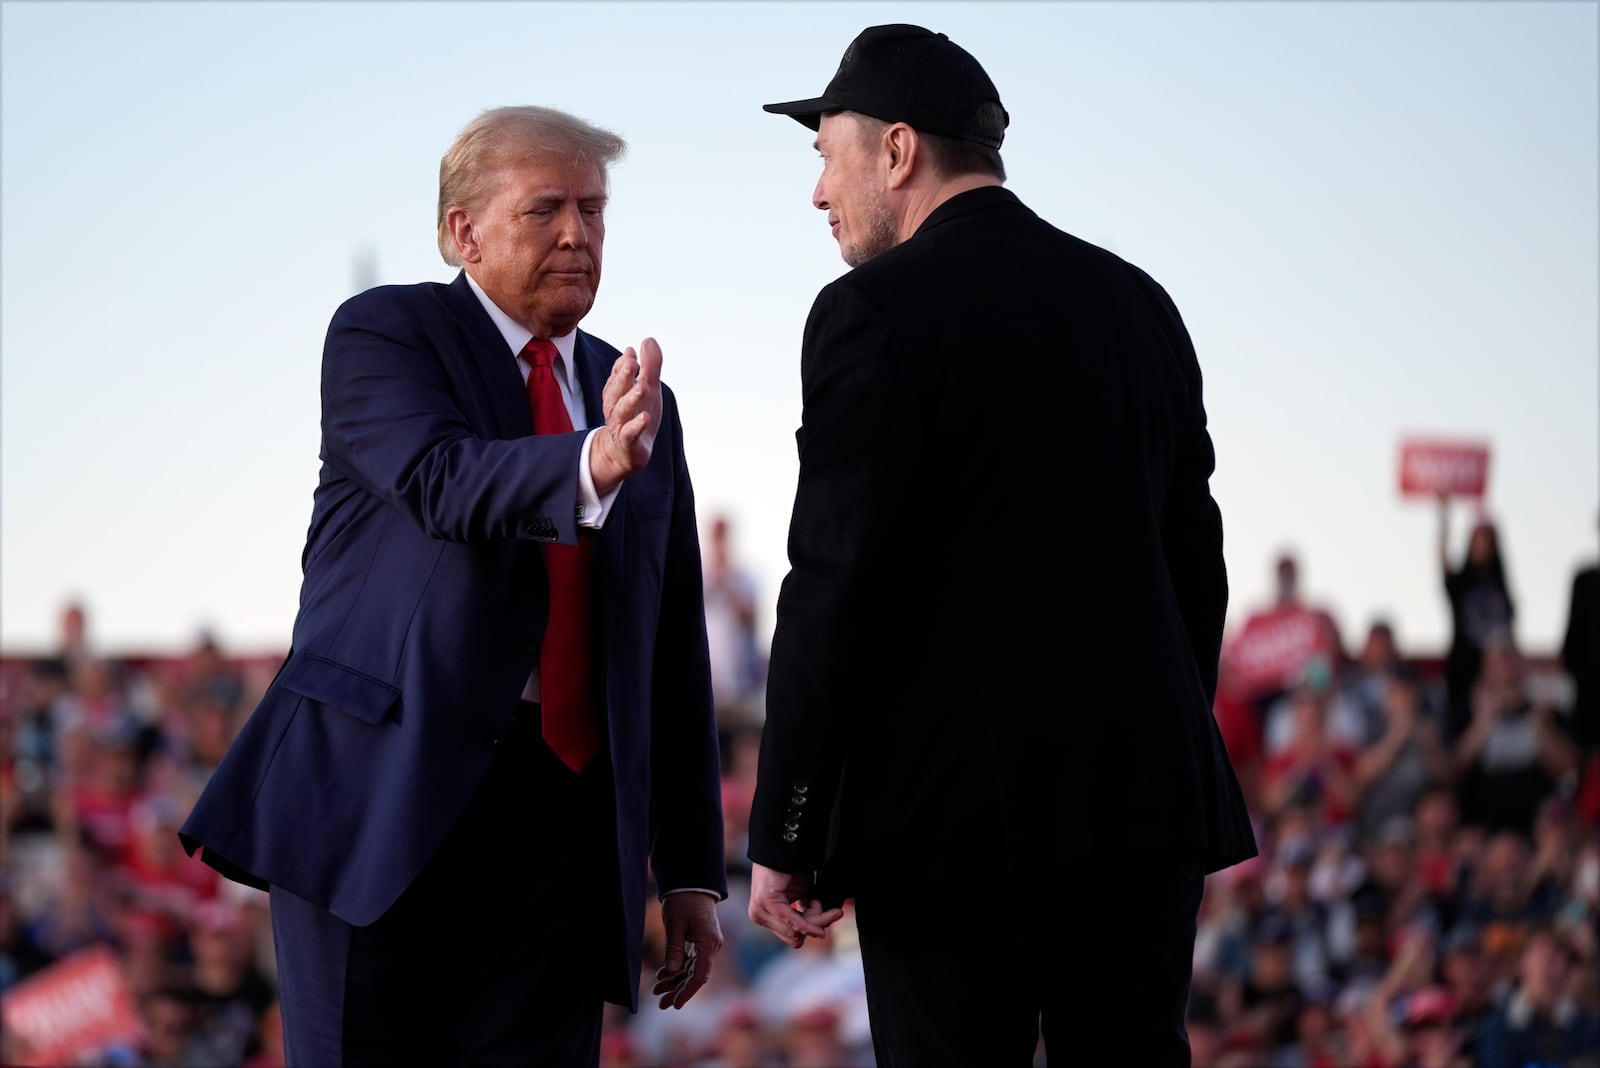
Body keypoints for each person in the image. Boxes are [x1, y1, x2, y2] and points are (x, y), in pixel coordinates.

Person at [744, 24, 1257, 1066]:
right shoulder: (1139, 303)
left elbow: (832, 587)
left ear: (895, 151)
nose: (815, 195)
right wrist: (1150, 739)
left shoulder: (867, 314)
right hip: (1141, 809)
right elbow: (1193, 568)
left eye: (824, 158)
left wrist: (787, 831)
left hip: (945, 829)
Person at [177, 105, 727, 1065]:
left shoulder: (637, 398)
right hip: (381, 803)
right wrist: (589, 462)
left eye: (594, 212)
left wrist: (688, 869)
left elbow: (667, 640)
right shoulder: (388, 333)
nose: (578, 234)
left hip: (563, 824)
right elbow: (442, 478)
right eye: (546, 208)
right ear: (460, 232)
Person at [1438, 498, 1516, 740]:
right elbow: (1442, 561)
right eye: (1477, 542)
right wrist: (1444, 517)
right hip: (1464, 676)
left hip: (1498, 681)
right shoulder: (1461, 583)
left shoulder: (1502, 586)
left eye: (1487, 542)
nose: (1482, 548)